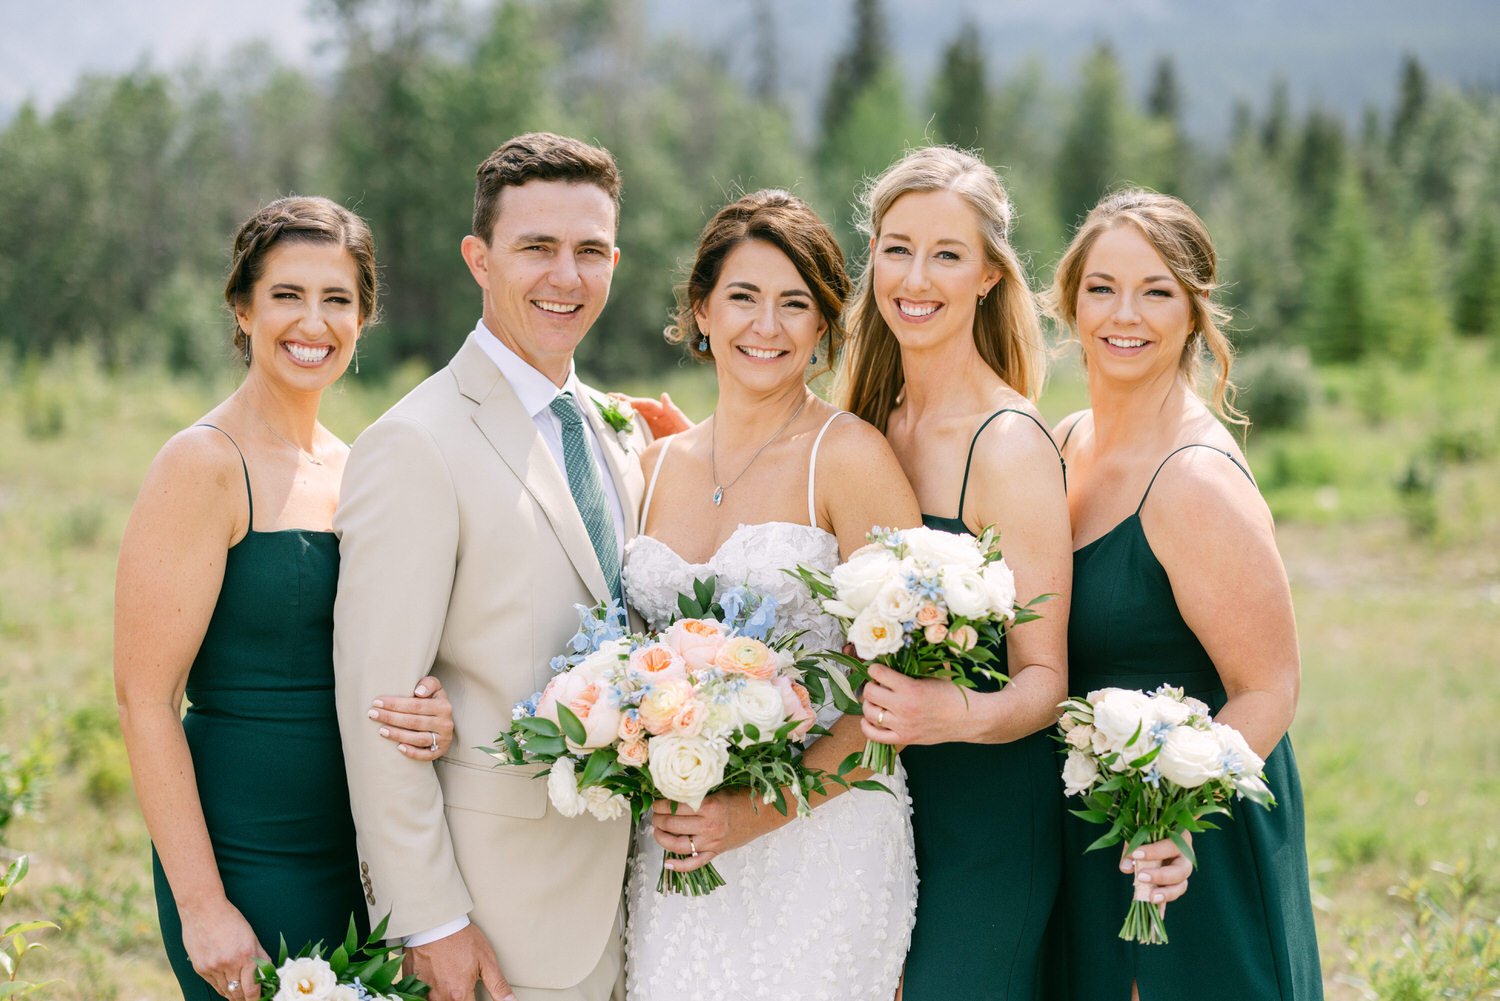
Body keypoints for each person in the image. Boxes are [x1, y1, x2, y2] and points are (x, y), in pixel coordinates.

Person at [114, 196, 455, 1001]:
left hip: (361, 856)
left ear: (364, 316)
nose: (314, 321)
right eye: (287, 296)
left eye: (338, 298)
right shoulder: (202, 463)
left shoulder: (360, 467)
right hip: (244, 857)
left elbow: (381, 649)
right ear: (243, 307)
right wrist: (203, 905)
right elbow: (144, 698)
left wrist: (434, 706)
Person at [332, 133, 647, 1001]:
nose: (566, 275)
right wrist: (428, 917)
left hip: (637, 901)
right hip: (494, 918)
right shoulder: (414, 442)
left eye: (589, 251)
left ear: (614, 261)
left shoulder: (620, 431)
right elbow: (379, 709)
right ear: (479, 257)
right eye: (536, 248)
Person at [621, 189, 922, 1001]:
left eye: (795, 304)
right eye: (744, 297)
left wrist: (757, 812)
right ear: (702, 311)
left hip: (823, 841)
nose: (767, 326)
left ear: (823, 326)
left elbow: (898, 697)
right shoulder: (649, 469)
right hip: (678, 848)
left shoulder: (849, 459)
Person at [1042, 189, 1321, 1000]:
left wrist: (1175, 824)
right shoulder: (1066, 441)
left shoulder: (1194, 479)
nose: (1123, 313)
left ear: (1195, 313)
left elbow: (1270, 686)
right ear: (1071, 299)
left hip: (1189, 844)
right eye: (1102, 287)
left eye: (1156, 290)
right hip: (1091, 827)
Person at [840, 146, 1072, 1000]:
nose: (916, 275)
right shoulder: (868, 417)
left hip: (983, 826)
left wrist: (954, 711)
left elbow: (1047, 679)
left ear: (987, 276)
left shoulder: (1006, 443)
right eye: (897, 247)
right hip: (870, 814)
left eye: (947, 253)